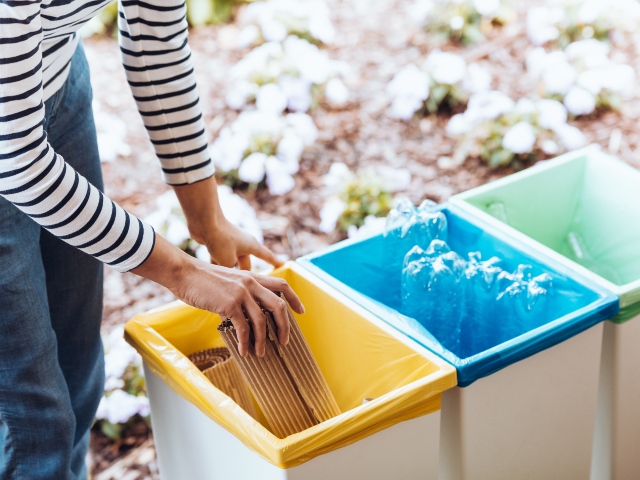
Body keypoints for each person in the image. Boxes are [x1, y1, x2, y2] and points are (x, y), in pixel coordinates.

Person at [0, 0, 304, 478]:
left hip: (52, 79)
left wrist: (207, 220)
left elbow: (154, 38)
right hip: (12, 142)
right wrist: (184, 273)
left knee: (77, 369)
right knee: (34, 416)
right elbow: (19, 164)